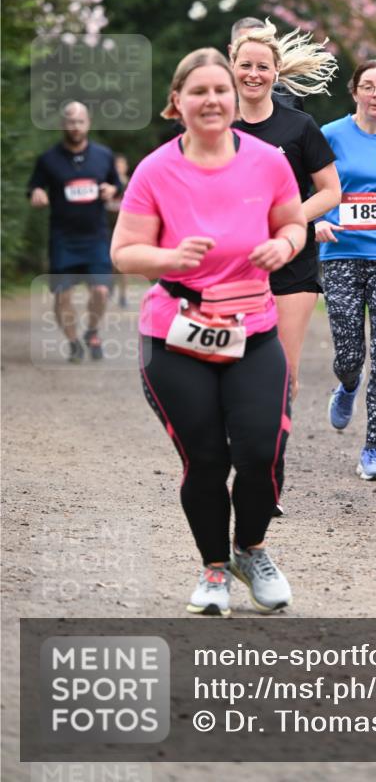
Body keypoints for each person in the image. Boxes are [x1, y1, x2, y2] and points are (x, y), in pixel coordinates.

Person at [110, 48, 306, 616]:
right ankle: (214, 569)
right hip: (176, 335)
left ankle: (252, 549)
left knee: (263, 450)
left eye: (220, 89)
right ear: (178, 103)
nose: (213, 100)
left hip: (254, 329)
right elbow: (124, 252)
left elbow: (293, 221)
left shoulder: (267, 161)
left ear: (232, 98)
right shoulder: (156, 169)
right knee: (207, 460)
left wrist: (285, 244)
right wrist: (170, 257)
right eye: (198, 91)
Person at [230, 20, 340, 400]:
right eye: (246, 65)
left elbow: (330, 192)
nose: (254, 74)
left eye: (262, 67)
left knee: (282, 372)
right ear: (232, 66)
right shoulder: (216, 126)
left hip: (292, 261)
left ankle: (269, 455)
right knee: (232, 365)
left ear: (276, 72)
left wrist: (288, 220)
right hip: (232, 263)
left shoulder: (300, 126)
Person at [317, 59, 376, 482]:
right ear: (354, 92)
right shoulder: (330, 135)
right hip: (340, 255)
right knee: (350, 354)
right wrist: (315, 221)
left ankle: (372, 449)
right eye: (368, 86)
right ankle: (348, 384)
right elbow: (303, 185)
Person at [27, 101, 122, 362]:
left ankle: (92, 332)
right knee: (62, 295)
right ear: (63, 125)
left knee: (101, 291)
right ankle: (73, 343)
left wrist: (112, 189)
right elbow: (34, 186)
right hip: (63, 238)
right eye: (71, 121)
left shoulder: (103, 155)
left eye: (80, 121)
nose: (76, 126)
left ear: (88, 123)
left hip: (95, 237)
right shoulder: (47, 160)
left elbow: (117, 183)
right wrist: (36, 192)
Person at [105, 154, 130, 307]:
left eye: (122, 165)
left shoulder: (131, 183)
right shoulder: (108, 184)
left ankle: (123, 296)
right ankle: (111, 286)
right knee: (111, 262)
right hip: (108, 226)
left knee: (124, 264)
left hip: (125, 227)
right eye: (117, 165)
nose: (119, 168)